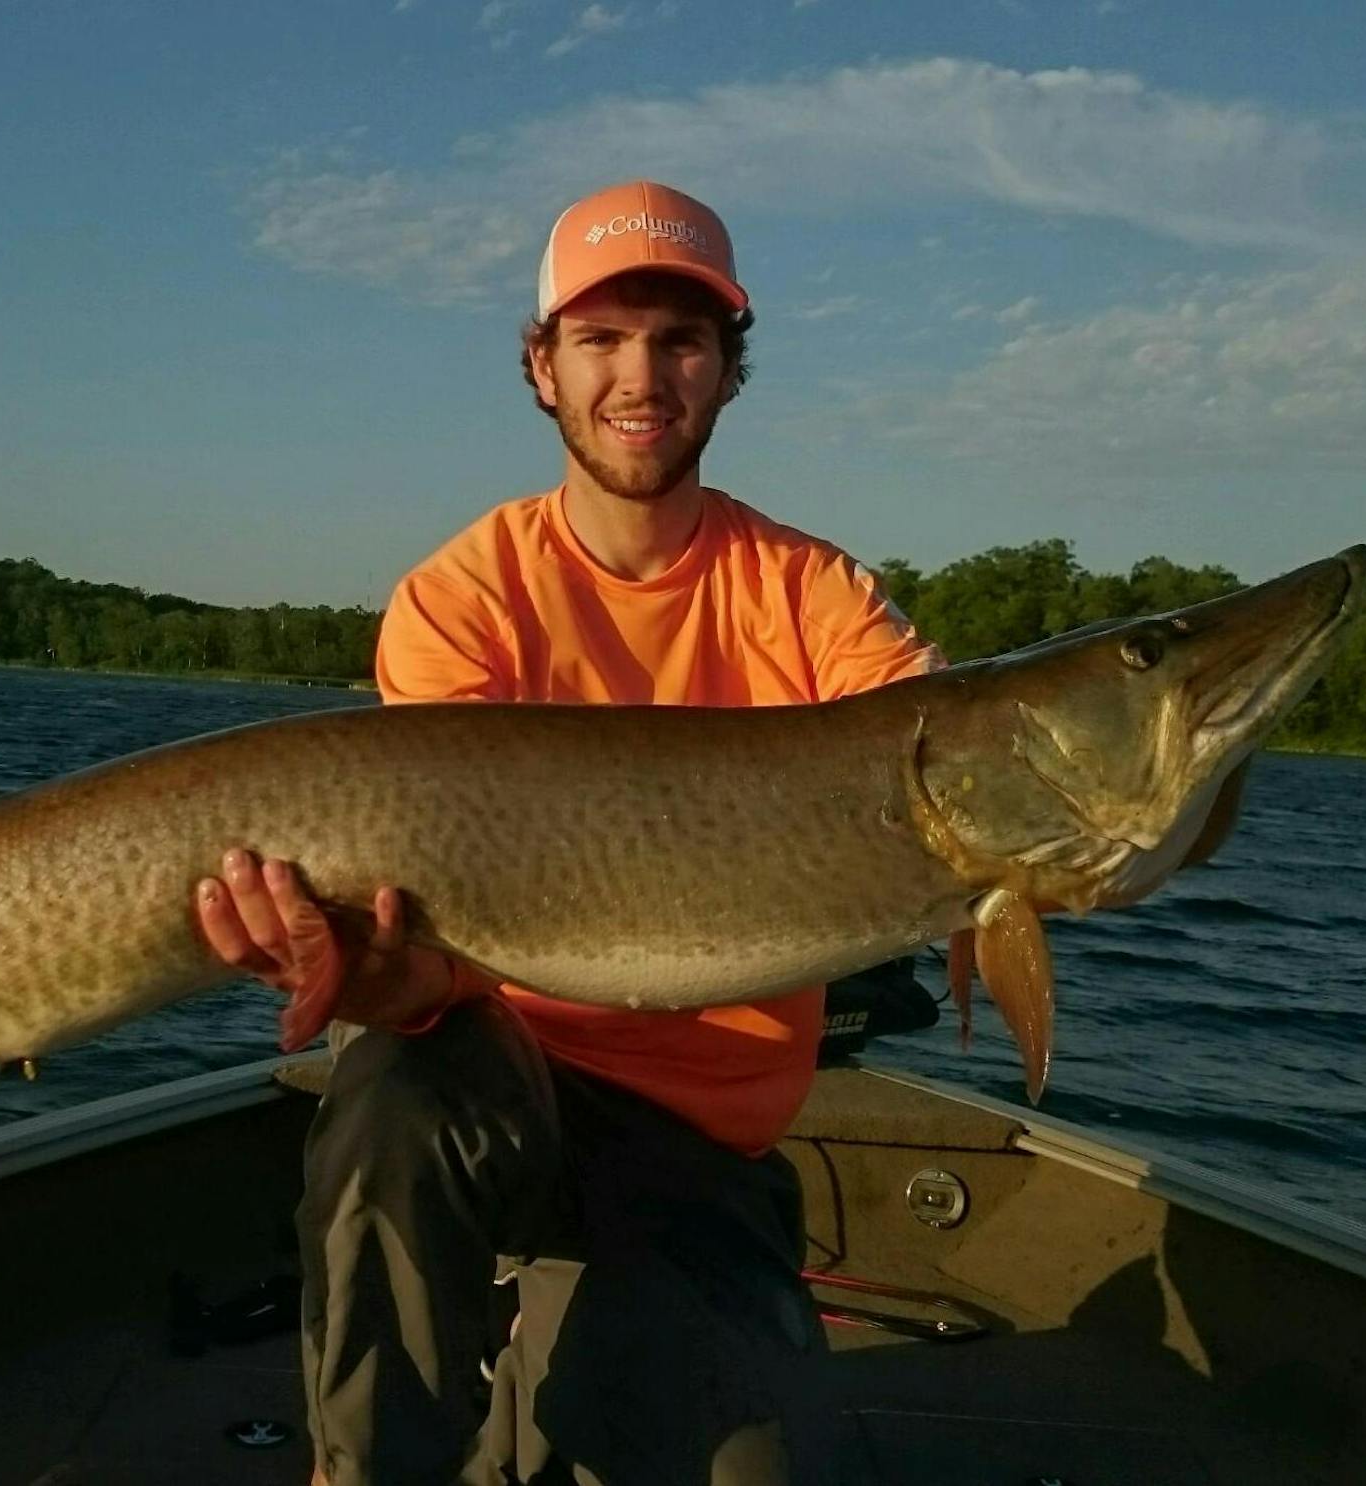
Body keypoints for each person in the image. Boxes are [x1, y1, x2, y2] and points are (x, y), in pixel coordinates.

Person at [193, 181, 941, 1485]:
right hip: (501, 1078)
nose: (639, 374)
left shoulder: (816, 595)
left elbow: (944, 779)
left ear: (726, 369)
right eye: (599, 339)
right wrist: (369, 973)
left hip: (702, 1145)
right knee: (388, 1101)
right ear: (542, 366)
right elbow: (435, 953)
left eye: (678, 338)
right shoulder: (461, 596)